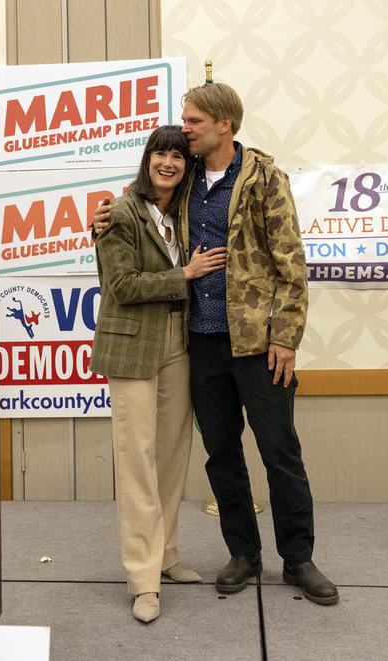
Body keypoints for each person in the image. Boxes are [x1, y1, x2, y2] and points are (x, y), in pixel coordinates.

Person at [96, 83, 338, 605]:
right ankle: (244, 553)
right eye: (184, 121)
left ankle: (298, 559)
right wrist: (104, 216)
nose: (185, 129)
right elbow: (143, 209)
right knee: (221, 454)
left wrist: (287, 336)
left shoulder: (265, 178)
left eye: (194, 121)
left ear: (224, 124)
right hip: (198, 344)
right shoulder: (183, 183)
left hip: (259, 345)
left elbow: (291, 263)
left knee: (280, 452)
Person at [90, 125, 227, 623]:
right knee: (137, 460)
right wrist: (184, 275)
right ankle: (143, 578)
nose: (168, 162)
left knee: (172, 454)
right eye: (160, 153)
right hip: (132, 346)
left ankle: (166, 555)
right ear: (147, 159)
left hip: (179, 340)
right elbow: (121, 286)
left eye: (177, 155)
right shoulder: (119, 212)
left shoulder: (187, 212)